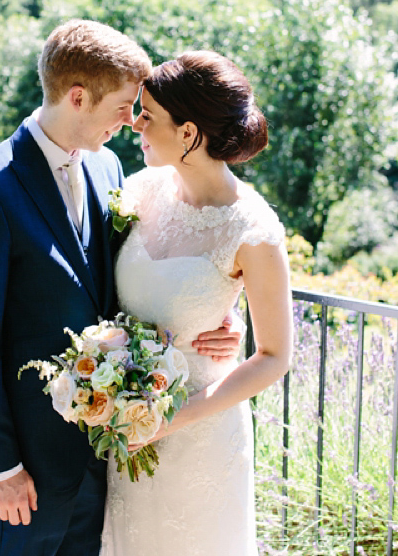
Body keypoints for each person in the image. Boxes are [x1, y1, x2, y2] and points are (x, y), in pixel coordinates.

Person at [0, 21, 243, 556]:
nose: (132, 123)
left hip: (111, 451)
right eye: (126, 107)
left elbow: (129, 277)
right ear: (78, 97)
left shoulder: (109, 168)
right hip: (30, 471)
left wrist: (214, 317)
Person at [100, 51, 292, 556]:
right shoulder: (139, 191)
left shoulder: (252, 229)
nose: (133, 123)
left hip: (201, 434)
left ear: (188, 134)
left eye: (147, 115)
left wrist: (171, 418)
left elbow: (275, 357)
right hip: (125, 425)